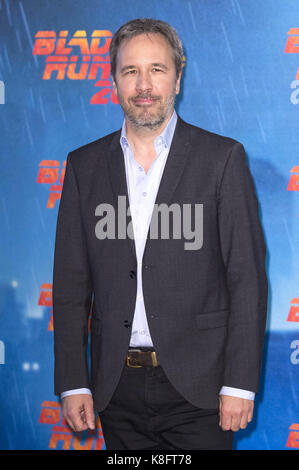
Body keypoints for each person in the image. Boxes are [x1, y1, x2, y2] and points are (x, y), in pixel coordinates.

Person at [52, 18, 268, 450]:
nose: (144, 84)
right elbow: (71, 285)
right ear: (114, 80)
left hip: (201, 388)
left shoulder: (221, 158)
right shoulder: (84, 165)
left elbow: (246, 278)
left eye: (157, 69)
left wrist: (240, 384)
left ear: (178, 78)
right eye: (131, 71)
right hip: (116, 389)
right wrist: (73, 382)